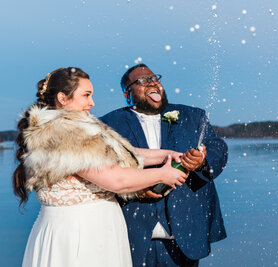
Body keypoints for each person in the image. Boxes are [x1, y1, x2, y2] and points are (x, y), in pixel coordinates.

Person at [13, 67, 188, 267]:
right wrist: (162, 175)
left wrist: (168, 154)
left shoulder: (71, 126)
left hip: (91, 229)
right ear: (62, 98)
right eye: (86, 95)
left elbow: (121, 154)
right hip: (79, 235)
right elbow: (116, 180)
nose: (92, 103)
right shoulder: (65, 133)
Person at [101, 64, 228, 266]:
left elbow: (217, 148)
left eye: (154, 78)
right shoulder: (108, 124)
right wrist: (132, 192)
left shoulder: (193, 116)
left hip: (185, 234)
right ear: (128, 94)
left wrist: (202, 161)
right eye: (141, 81)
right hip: (131, 233)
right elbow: (101, 172)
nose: (152, 83)